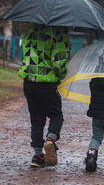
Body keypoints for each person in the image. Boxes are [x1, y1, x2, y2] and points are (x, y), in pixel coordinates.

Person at [18, 23, 70, 168]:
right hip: (47, 82)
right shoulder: (57, 31)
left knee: (36, 119)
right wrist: (61, 74)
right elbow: (59, 60)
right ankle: (50, 140)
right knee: (56, 115)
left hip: (29, 81)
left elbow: (25, 49)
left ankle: (37, 155)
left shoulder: (32, 29)